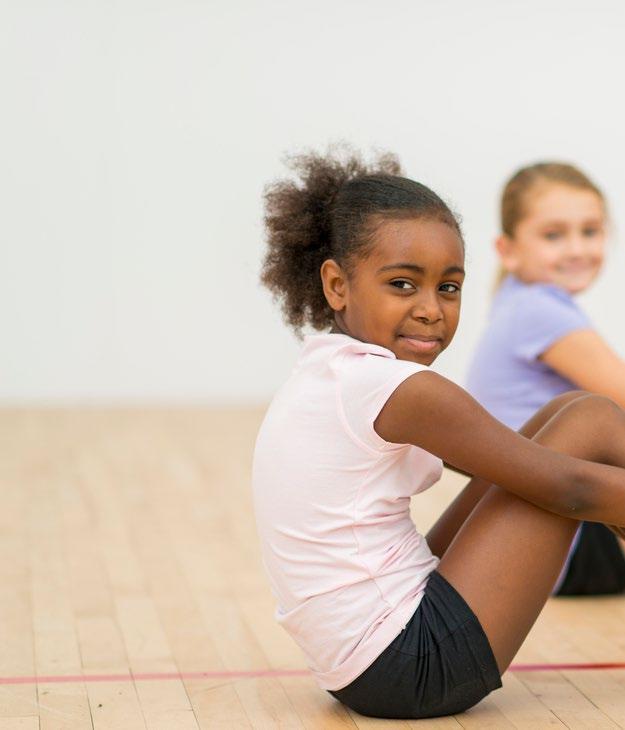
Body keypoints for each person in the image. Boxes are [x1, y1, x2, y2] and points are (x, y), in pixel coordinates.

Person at [252, 147, 625, 720]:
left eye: (448, 288)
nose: (431, 309)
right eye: (403, 284)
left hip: (368, 662)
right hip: (410, 665)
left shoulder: (332, 370)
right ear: (337, 284)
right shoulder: (399, 389)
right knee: (590, 428)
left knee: (578, 413)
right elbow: (569, 490)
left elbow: (506, 466)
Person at [466, 162, 625, 596]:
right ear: (508, 250)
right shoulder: (541, 310)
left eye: (590, 231)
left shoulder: (518, 301)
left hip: (534, 535)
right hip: (560, 545)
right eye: (554, 235)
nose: (577, 249)